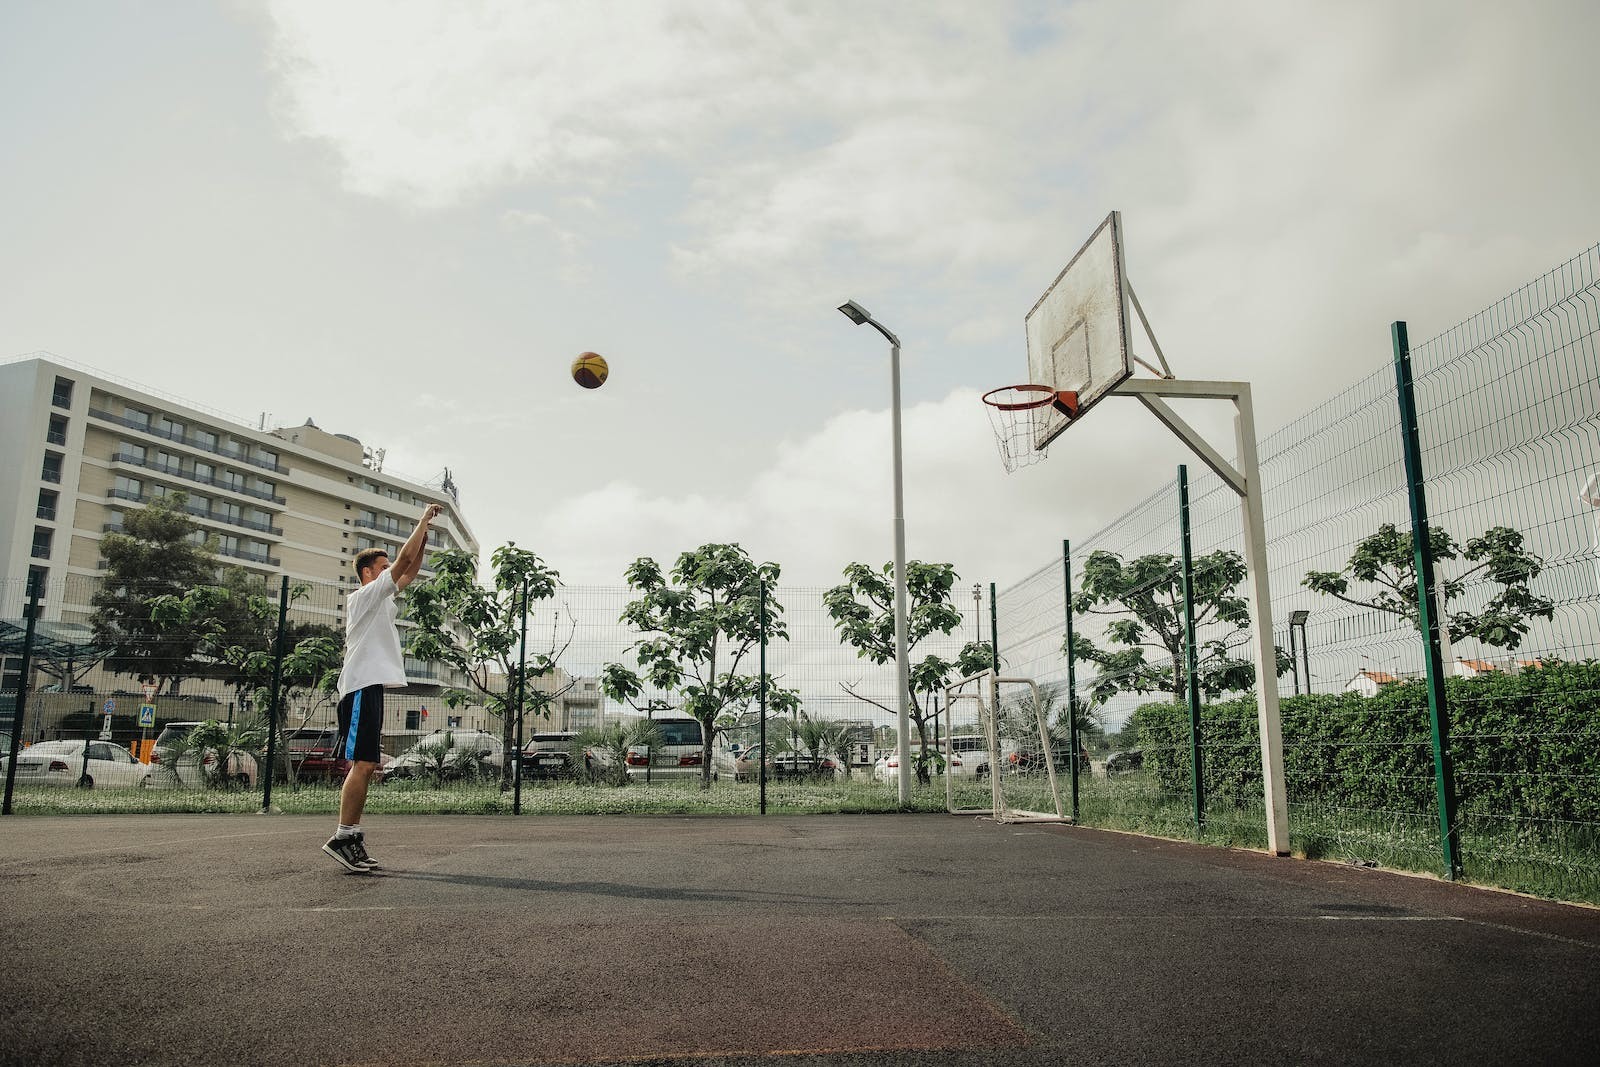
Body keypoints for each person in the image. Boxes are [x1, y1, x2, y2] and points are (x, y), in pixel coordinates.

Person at [322, 502, 444, 872]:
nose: (390, 569)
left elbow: (411, 567)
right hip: (360, 686)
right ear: (367, 573)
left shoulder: (382, 601)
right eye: (382, 566)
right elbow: (403, 563)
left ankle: (349, 835)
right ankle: (343, 837)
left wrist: (425, 535)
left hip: (370, 687)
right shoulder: (364, 597)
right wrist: (422, 521)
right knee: (362, 764)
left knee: (367, 763)